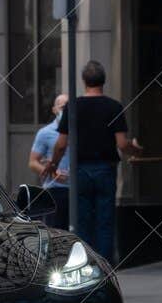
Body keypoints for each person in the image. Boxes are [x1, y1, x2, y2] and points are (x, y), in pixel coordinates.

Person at [51, 62, 142, 261]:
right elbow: (121, 144)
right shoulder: (114, 106)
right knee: (105, 222)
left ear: (84, 81)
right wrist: (134, 148)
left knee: (82, 221)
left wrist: (53, 165)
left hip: (80, 169)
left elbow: (61, 144)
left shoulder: (72, 107)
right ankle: (105, 269)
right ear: (104, 81)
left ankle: (85, 266)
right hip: (105, 169)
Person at [27, 93, 69, 229]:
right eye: (62, 108)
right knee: (56, 231)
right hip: (55, 189)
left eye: (68, 108)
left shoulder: (79, 131)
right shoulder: (45, 133)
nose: (65, 111)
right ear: (54, 110)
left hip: (78, 189)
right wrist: (52, 172)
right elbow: (33, 162)